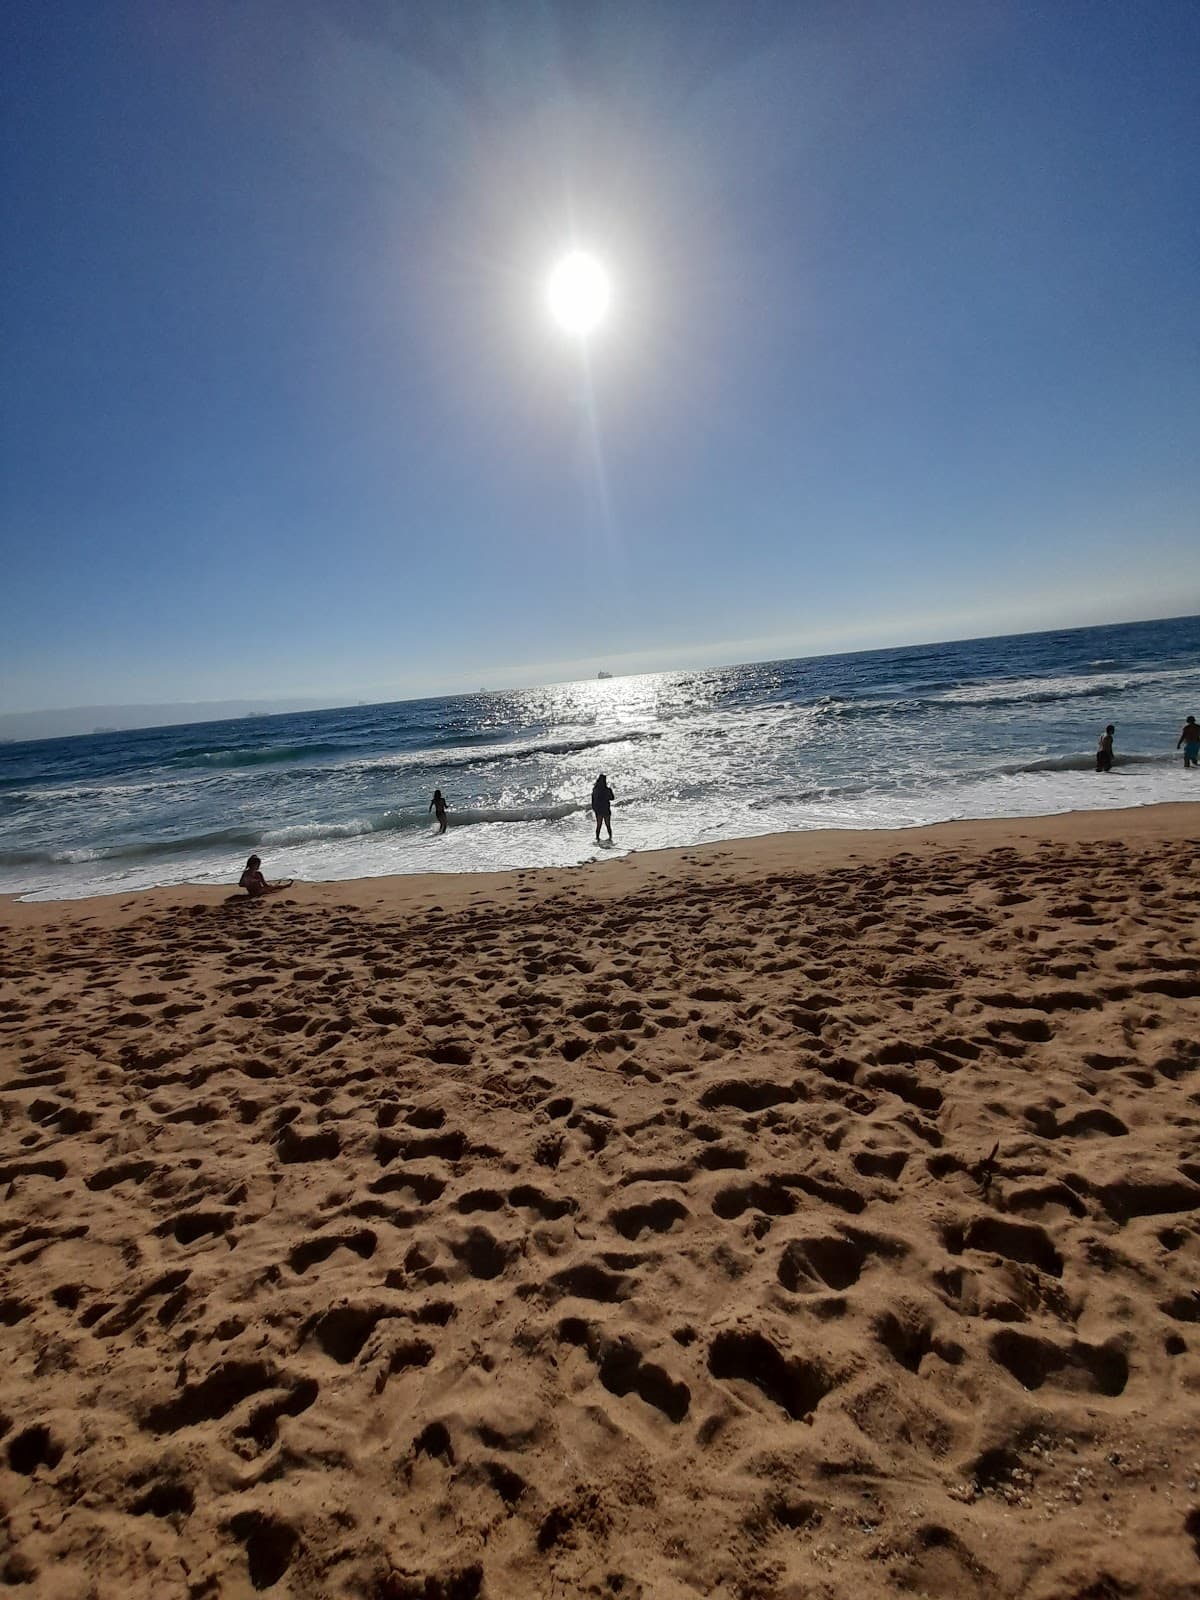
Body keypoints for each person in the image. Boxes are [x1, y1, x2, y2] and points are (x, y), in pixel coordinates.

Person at [591, 772, 614, 842]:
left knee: (599, 825)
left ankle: (597, 839)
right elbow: (612, 798)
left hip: (599, 809)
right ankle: (610, 838)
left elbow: (593, 801)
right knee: (607, 825)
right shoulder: (607, 790)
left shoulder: (595, 790)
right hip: (605, 808)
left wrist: (594, 808)